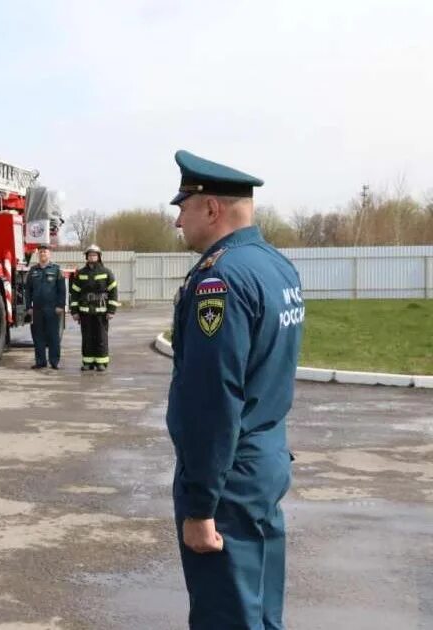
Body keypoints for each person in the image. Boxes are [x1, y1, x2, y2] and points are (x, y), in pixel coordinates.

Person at [166, 150, 304, 629]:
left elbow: (212, 399)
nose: (178, 220)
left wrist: (201, 504)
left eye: (182, 207)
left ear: (211, 208)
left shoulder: (219, 280)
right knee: (261, 613)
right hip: (264, 461)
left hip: (229, 478)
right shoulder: (275, 266)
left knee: (226, 616)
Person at [69, 244, 120, 371]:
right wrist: (74, 311)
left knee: (101, 337)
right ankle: (87, 362)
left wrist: (111, 310)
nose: (92, 257)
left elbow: (113, 292)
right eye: (90, 255)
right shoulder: (80, 274)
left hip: (101, 313)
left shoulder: (106, 272)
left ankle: (101, 362)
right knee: (87, 338)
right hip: (85, 312)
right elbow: (74, 293)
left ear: (99, 257)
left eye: (94, 255)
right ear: (86, 257)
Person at [25, 244, 66, 369]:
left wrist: (60, 306)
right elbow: (28, 291)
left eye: (45, 252)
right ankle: (40, 361)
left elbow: (62, 290)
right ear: (38, 254)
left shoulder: (56, 270)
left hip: (52, 308)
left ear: (50, 254)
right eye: (41, 252)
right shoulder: (33, 271)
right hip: (37, 309)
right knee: (38, 336)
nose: (43, 254)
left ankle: (54, 362)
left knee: (53, 336)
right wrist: (29, 307)